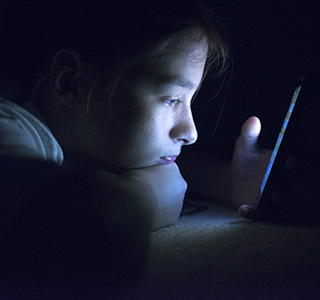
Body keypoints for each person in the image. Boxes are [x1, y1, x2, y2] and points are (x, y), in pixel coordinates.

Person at [0, 0, 271, 293]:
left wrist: (226, 181)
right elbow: (63, 241)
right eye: (171, 99)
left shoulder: (77, 134)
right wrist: (143, 200)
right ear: (72, 83)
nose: (191, 132)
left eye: (189, 100)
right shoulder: (9, 125)